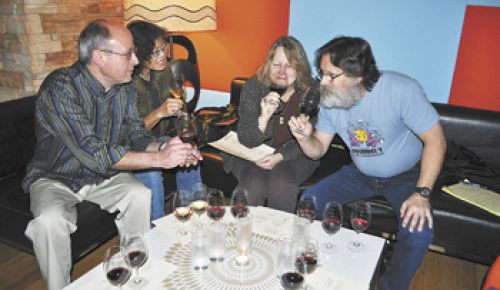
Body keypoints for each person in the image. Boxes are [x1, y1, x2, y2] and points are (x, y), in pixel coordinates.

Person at [22, 20, 202, 290]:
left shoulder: (124, 87)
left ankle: (138, 268)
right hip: (55, 177)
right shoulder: (60, 88)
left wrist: (169, 149)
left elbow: (137, 135)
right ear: (99, 57)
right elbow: (93, 151)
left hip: (103, 176)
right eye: (128, 53)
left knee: (138, 194)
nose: (136, 59)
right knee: (49, 222)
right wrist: (158, 160)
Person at [288, 36, 446, 290]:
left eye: (330, 75)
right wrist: (304, 138)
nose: (322, 82)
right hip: (359, 173)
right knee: (310, 202)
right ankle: (323, 267)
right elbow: (317, 150)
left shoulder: (400, 89)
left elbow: (436, 141)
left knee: (419, 233)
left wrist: (422, 193)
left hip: (405, 176)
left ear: (358, 74)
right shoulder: (331, 100)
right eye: (322, 74)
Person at [223, 36, 319, 213]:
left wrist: (280, 156)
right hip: (253, 150)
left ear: (300, 67)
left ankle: (280, 237)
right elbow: (247, 139)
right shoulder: (254, 87)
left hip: (297, 154)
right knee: (253, 184)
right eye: (277, 64)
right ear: (269, 65)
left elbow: (313, 138)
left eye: (289, 65)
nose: (282, 71)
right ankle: (238, 232)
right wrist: (264, 118)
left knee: (282, 184)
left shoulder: (311, 92)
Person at [127, 20, 202, 220]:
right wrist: (159, 113)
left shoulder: (164, 71)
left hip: (163, 139)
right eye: (156, 52)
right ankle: (156, 230)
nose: (163, 57)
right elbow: (129, 134)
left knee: (187, 154)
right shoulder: (126, 82)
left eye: (164, 50)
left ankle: (192, 216)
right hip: (134, 147)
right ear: (140, 53)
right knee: (151, 173)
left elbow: (179, 106)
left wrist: (184, 124)